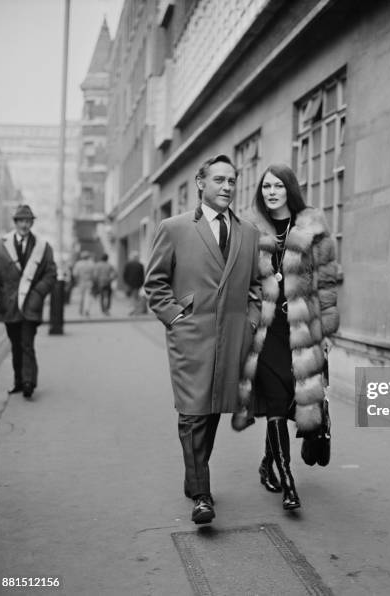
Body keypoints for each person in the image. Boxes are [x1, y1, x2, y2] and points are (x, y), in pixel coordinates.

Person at [144, 154, 261, 525]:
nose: (227, 187)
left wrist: (252, 323)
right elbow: (155, 283)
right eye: (219, 180)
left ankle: (194, 477)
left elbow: (255, 288)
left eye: (232, 181)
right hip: (191, 335)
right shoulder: (174, 227)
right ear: (200, 183)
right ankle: (202, 495)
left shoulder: (249, 233)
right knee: (193, 413)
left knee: (211, 411)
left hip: (232, 338)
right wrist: (176, 319)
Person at [237, 164, 339, 511]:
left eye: (278, 185)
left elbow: (326, 283)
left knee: (296, 400)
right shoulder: (249, 229)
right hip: (267, 331)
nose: (271, 191)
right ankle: (289, 484)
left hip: (302, 328)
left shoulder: (313, 226)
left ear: (290, 189)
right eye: (266, 186)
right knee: (277, 404)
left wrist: (326, 331)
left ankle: (268, 463)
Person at [0, 204, 57, 398]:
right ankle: (18, 382)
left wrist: (37, 294)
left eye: (28, 221)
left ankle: (29, 382)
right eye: (21, 221)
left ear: (32, 223)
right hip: (9, 305)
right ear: (15, 223)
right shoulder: (1, 245)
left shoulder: (42, 246)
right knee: (15, 345)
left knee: (26, 343)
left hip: (30, 303)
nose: (24, 224)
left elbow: (51, 274)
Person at [72, 251, 95, 317]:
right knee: (88, 296)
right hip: (89, 282)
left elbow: (75, 274)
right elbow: (94, 274)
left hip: (81, 281)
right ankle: (87, 310)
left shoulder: (78, 264)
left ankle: (81, 310)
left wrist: (77, 280)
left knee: (81, 297)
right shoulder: (92, 264)